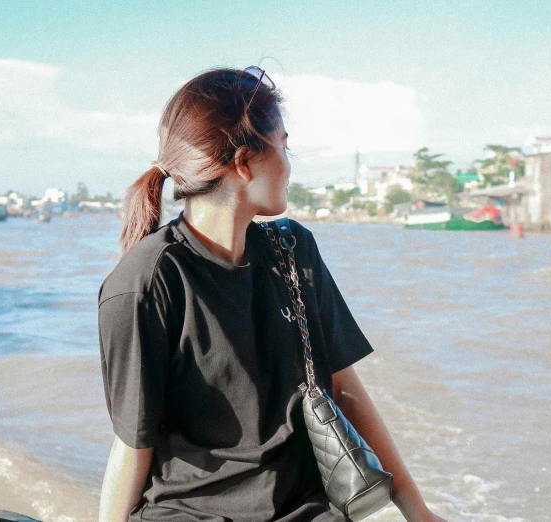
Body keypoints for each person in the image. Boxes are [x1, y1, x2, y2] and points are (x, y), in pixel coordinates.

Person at [97, 67, 447, 522]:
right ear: (244, 163)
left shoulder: (293, 251)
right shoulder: (146, 284)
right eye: (283, 145)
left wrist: (418, 512)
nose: (288, 161)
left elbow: (344, 388)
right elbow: (131, 445)